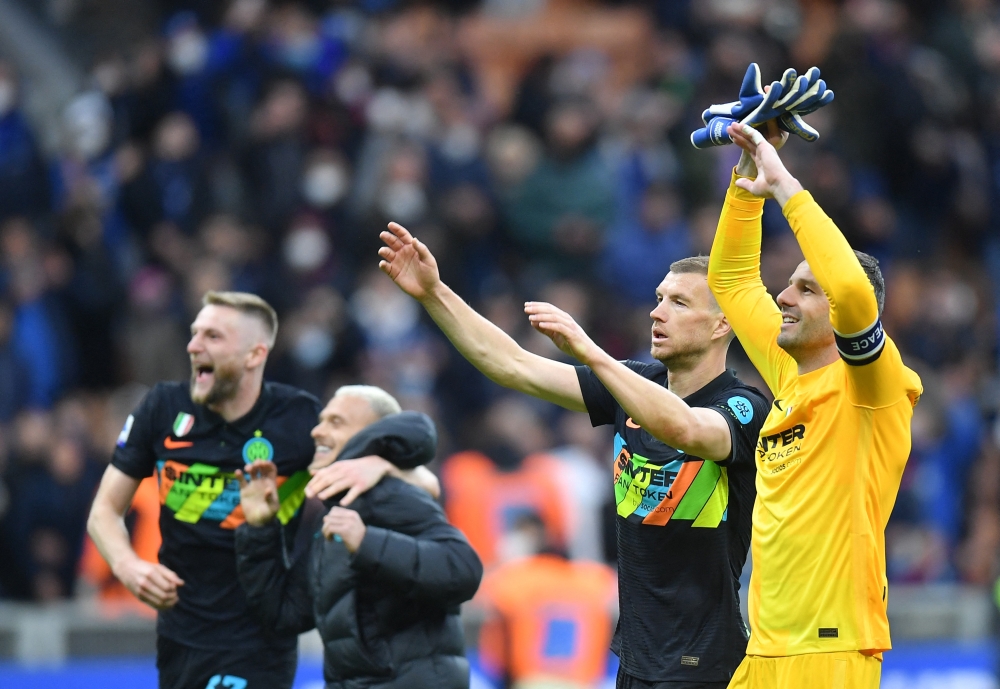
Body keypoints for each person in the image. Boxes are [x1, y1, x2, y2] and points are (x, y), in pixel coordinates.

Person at [378, 222, 771, 688]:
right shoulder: (632, 383)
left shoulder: (744, 406)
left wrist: (590, 352)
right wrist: (433, 293)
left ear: (722, 323)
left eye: (678, 303)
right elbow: (513, 365)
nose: (656, 313)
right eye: (659, 298)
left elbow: (684, 427)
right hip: (636, 658)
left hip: (705, 663)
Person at [86, 291, 439, 689]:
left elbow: (425, 483)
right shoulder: (162, 409)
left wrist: (377, 462)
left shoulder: (300, 421)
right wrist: (126, 565)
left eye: (213, 337)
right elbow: (104, 512)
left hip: (259, 634)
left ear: (254, 355)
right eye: (195, 333)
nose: (193, 345)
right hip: (179, 634)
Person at [706, 121, 923, 689]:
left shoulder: (874, 385)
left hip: (833, 652)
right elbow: (729, 279)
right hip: (764, 652)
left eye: (806, 289)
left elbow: (851, 291)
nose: (783, 296)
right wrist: (748, 174)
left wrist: (786, 187)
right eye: (789, 285)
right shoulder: (790, 375)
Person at [235, 388, 483, 689]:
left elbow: (462, 568)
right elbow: (286, 615)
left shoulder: (390, 494)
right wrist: (261, 530)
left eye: (336, 422)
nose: (317, 431)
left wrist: (367, 542)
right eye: (321, 421)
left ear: (371, 436)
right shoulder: (335, 513)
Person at [477, 511, 618, 689]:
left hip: (533, 681)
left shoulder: (515, 579)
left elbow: (494, 657)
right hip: (584, 683)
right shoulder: (596, 580)